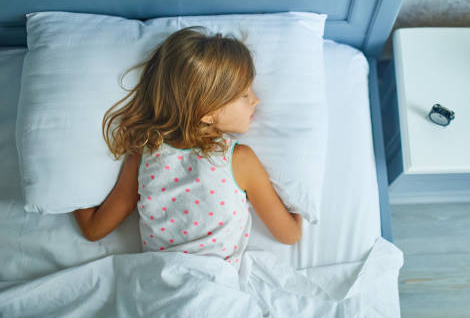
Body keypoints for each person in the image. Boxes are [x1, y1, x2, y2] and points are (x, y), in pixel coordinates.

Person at [73, 27, 302, 267]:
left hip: (156, 284)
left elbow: (94, 229)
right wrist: (300, 197)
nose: (256, 100)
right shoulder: (238, 159)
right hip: (215, 286)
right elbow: (290, 235)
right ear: (207, 112)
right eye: (244, 94)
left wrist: (72, 168)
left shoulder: (144, 156)